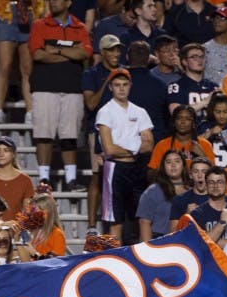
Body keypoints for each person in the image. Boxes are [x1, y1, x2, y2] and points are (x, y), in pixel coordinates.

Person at [28, 0, 91, 190]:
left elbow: (85, 53)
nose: (53, 2)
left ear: (68, 3)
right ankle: (44, 180)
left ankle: (71, 179)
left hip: (72, 87)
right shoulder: (40, 25)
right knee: (44, 135)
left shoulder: (80, 27)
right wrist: (71, 52)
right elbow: (37, 54)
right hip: (44, 87)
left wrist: (56, 50)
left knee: (69, 136)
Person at [96, 68, 154, 242]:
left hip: (136, 168)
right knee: (116, 218)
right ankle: (115, 260)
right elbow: (110, 150)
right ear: (111, 87)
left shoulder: (140, 111)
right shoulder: (105, 112)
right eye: (117, 85)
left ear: (130, 86)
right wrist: (136, 144)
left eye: (125, 84)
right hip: (115, 168)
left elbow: (149, 145)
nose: (121, 88)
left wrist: (123, 145)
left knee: (139, 216)